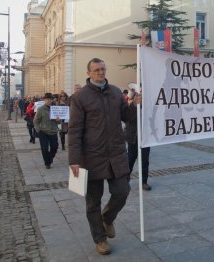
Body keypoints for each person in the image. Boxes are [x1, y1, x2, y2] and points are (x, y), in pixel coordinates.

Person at [68, 58, 136, 255]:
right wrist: (74, 159)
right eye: (96, 70)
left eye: (103, 69)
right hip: (91, 157)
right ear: (89, 73)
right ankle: (100, 239)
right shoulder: (80, 97)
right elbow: (74, 130)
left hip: (116, 153)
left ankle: (107, 218)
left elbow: (127, 116)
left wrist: (134, 105)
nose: (100, 72)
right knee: (92, 202)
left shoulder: (115, 92)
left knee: (122, 191)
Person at [124, 89, 151, 191]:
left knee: (145, 161)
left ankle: (144, 182)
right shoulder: (131, 106)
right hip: (133, 138)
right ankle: (125, 180)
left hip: (145, 138)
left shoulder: (147, 107)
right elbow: (127, 118)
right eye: (139, 96)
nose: (141, 98)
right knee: (130, 160)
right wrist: (133, 105)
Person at [34, 93, 61, 169]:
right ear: (44, 100)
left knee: (54, 147)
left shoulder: (55, 108)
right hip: (43, 132)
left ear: (52, 100)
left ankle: (50, 158)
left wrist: (58, 120)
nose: (49, 100)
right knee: (44, 148)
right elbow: (36, 121)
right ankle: (47, 163)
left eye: (50, 99)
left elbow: (58, 121)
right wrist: (38, 130)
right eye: (47, 99)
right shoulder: (41, 109)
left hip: (53, 131)